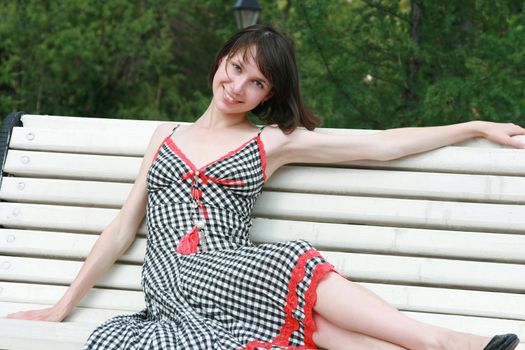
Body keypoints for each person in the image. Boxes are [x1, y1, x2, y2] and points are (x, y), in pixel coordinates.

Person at [6, 24, 523, 350]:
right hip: (173, 284)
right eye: (236, 70)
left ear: (268, 94)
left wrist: (472, 128)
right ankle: (442, 341)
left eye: (257, 83)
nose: (238, 88)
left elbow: (382, 146)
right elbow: (123, 227)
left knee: (322, 331)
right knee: (288, 262)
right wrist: (62, 305)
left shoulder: (272, 142)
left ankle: (441, 346)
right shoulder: (164, 137)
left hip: (233, 272)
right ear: (220, 61)